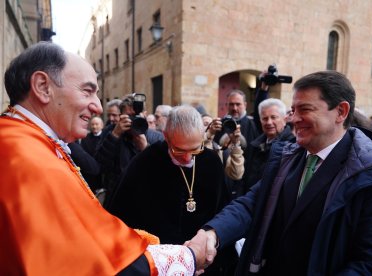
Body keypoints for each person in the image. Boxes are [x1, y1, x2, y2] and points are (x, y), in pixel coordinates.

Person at [0, 42, 207, 275]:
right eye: (87, 91)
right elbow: (85, 262)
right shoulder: (25, 156)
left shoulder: (27, 141)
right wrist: (188, 258)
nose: (98, 106)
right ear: (42, 87)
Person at [189, 70, 372, 275]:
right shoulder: (287, 157)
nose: (294, 119)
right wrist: (212, 234)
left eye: (305, 109)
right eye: (293, 110)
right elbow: (253, 203)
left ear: (341, 112)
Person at [108, 105, 238, 275]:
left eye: (195, 149)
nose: (187, 157)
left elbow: (222, 212)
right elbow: (121, 220)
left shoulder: (211, 162)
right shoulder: (143, 164)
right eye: (179, 150)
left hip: (205, 266)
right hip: (158, 265)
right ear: (166, 137)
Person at [95, 94, 164, 208]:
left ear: (144, 115)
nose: (133, 120)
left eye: (136, 116)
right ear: (121, 116)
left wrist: (145, 148)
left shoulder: (156, 137)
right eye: (129, 116)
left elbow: (161, 171)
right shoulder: (110, 132)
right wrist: (115, 135)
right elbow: (99, 164)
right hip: (116, 199)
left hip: (146, 200)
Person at [244, 98, 295, 191]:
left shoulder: (292, 146)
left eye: (273, 117)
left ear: (284, 119)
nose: (269, 122)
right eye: (265, 118)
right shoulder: (254, 146)